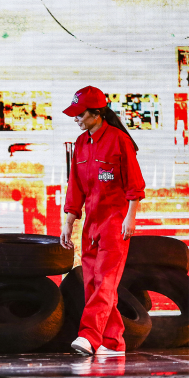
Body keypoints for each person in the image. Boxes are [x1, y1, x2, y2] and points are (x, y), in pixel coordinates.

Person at [60, 86, 145, 356]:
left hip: (115, 222)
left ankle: (88, 336)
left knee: (105, 281)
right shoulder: (82, 142)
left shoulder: (120, 140)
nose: (77, 119)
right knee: (91, 283)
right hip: (91, 225)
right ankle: (112, 342)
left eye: (81, 114)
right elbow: (75, 187)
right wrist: (68, 222)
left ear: (97, 114)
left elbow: (135, 185)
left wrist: (130, 219)